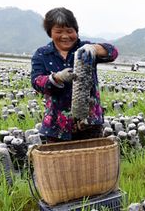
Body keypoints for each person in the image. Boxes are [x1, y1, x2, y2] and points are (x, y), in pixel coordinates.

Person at [31, 7, 118, 142]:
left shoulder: (84, 49)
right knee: (60, 161)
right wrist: (56, 78)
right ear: (50, 33)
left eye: (69, 31)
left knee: (90, 160)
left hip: (88, 123)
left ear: (76, 31)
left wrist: (94, 48)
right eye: (59, 32)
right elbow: (36, 81)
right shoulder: (42, 54)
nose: (65, 36)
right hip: (57, 125)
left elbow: (112, 52)